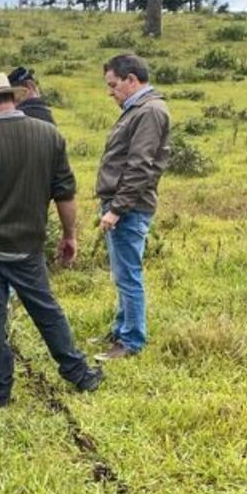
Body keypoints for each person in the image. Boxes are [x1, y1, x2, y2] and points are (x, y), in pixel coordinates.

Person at [0, 73, 103, 406]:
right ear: (12, 98)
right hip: (28, 248)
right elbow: (65, 194)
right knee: (47, 311)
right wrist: (70, 236)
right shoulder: (50, 136)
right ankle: (78, 373)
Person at [95, 53, 171, 361]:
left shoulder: (149, 111)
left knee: (128, 274)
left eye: (114, 85)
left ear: (131, 80)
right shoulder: (138, 109)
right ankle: (121, 329)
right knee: (122, 272)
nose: (110, 92)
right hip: (123, 203)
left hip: (128, 206)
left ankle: (131, 341)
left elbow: (140, 166)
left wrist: (117, 208)